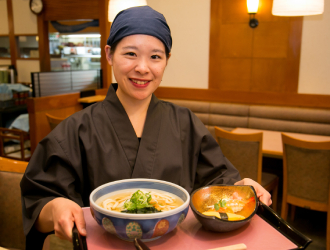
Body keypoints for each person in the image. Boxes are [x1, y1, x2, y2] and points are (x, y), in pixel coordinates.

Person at [20, 6, 271, 249]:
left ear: (166, 60)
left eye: (155, 57)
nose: (143, 67)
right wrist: (56, 207)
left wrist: (240, 190)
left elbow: (218, 183)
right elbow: (38, 202)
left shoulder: (185, 123)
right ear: (108, 54)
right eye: (130, 54)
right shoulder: (75, 130)